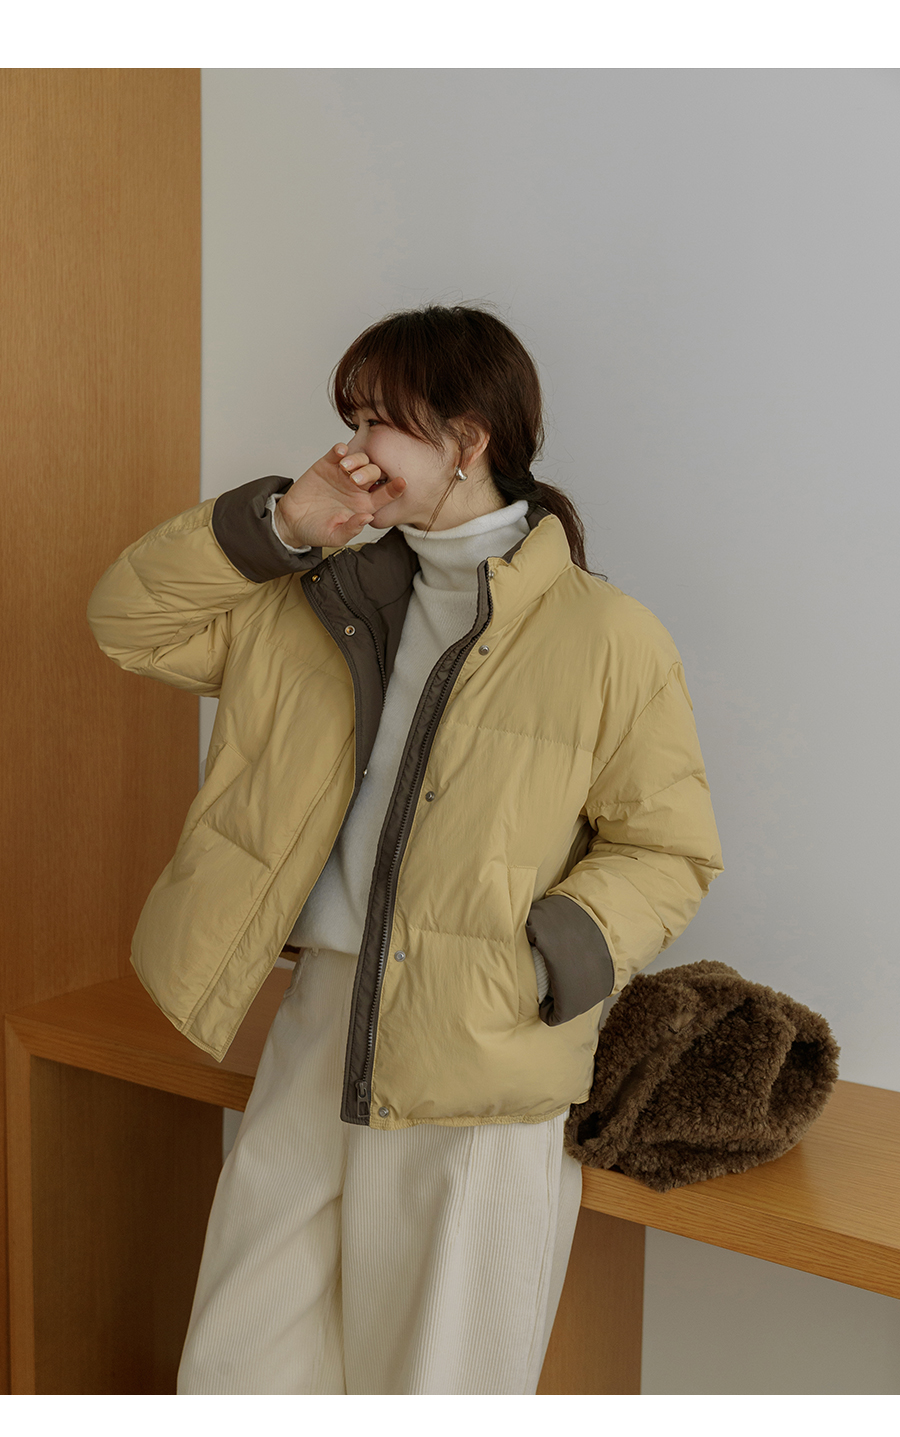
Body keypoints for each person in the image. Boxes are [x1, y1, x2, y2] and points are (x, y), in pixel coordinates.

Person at [86, 303, 723, 1394]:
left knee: (433, 1385)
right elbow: (128, 624)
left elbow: (669, 849)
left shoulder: (606, 636)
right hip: (319, 1020)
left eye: (378, 420)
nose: (353, 446)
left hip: (479, 1050)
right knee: (241, 1368)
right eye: (351, 418)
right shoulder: (318, 597)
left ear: (468, 440)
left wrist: (534, 964)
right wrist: (290, 522)